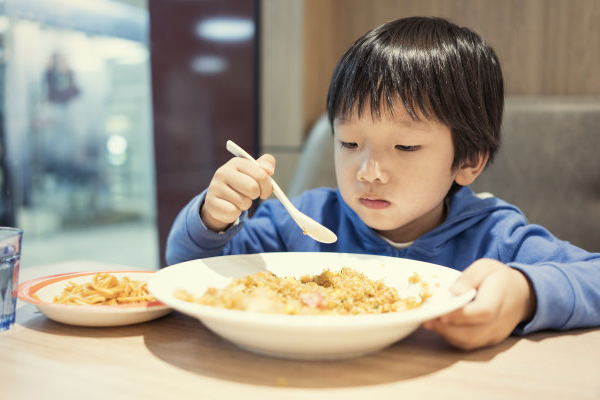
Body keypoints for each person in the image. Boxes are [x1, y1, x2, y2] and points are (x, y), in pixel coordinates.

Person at [166, 16, 600, 350]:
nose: (368, 171)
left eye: (406, 147)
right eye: (350, 141)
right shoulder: (300, 222)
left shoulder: (495, 238)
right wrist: (212, 218)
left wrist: (524, 292)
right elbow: (189, 275)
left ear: (468, 161)